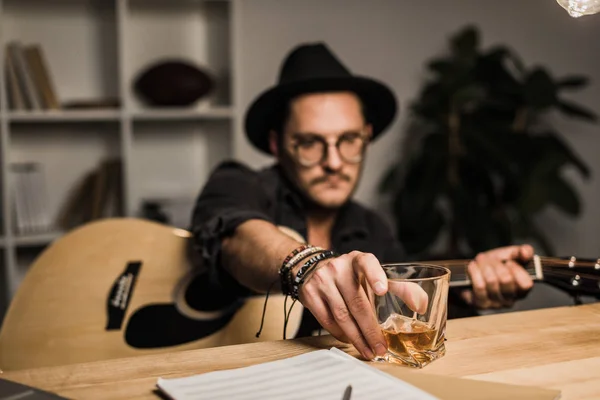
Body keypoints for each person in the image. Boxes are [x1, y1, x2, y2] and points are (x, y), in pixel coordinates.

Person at [190, 42, 534, 360]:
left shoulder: (373, 229)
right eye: (310, 142)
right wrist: (308, 265)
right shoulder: (237, 183)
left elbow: (403, 314)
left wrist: (469, 292)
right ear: (278, 145)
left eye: (349, 140)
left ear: (366, 136)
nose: (334, 162)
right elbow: (237, 237)